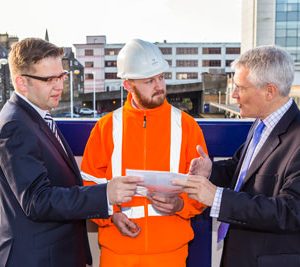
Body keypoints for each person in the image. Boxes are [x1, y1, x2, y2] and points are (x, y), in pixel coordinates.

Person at [0, 38, 142, 267]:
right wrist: (105, 194)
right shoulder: (15, 126)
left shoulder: (34, 116)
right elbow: (38, 201)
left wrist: (108, 210)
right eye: (49, 79)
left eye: (61, 76)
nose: (59, 86)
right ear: (21, 83)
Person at [81, 38, 208, 267]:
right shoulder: (106, 127)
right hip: (118, 253)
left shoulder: (188, 127)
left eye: (161, 77)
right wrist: (111, 215)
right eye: (149, 80)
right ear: (128, 85)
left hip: (171, 255)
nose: (159, 86)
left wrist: (181, 205)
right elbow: (89, 184)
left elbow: (200, 189)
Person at [174, 45, 300, 267]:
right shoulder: (262, 123)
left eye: (240, 87)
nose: (233, 95)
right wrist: (210, 171)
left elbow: (289, 211)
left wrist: (216, 198)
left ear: (269, 91)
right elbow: (241, 170)